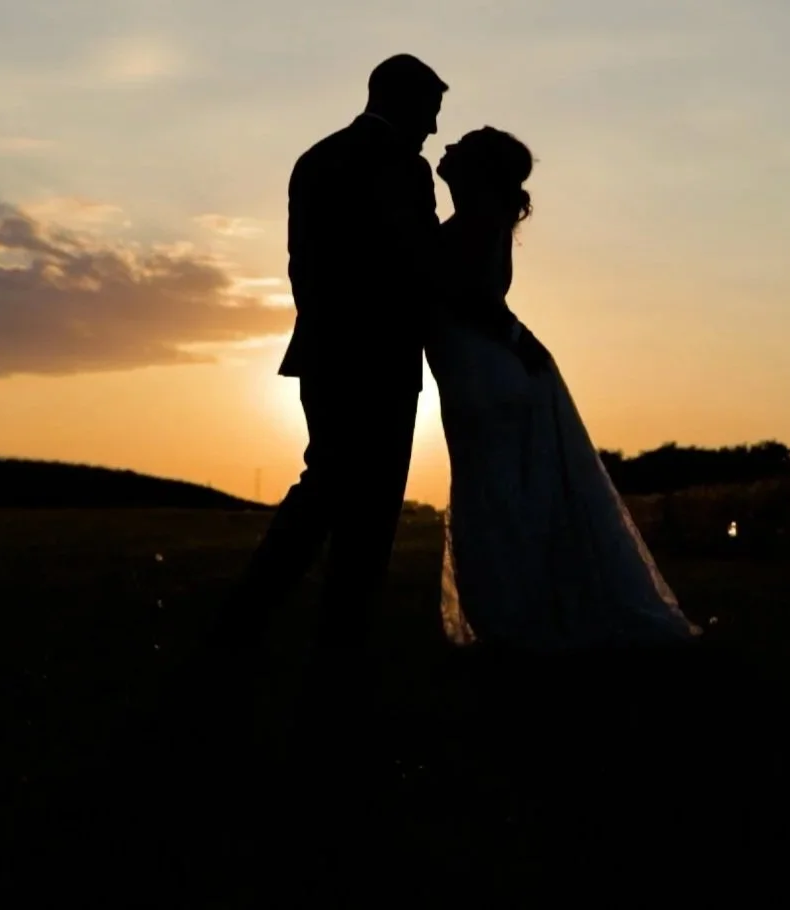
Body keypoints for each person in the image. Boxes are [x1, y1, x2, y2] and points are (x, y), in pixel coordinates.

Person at [201, 55, 544, 695]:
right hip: (379, 356)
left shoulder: (317, 157)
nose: (436, 128)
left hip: (324, 351)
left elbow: (303, 263)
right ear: (405, 100)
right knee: (363, 505)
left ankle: (266, 628)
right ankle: (327, 644)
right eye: (433, 110)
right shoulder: (400, 168)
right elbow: (417, 262)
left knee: (327, 485)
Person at [426, 127, 701, 651]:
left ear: (478, 169)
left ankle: (513, 622)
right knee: (501, 496)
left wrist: (512, 336)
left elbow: (475, 300)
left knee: (496, 500)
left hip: (485, 375)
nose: (447, 146)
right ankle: (515, 617)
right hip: (482, 369)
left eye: (462, 145)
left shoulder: (474, 224)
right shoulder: (475, 223)